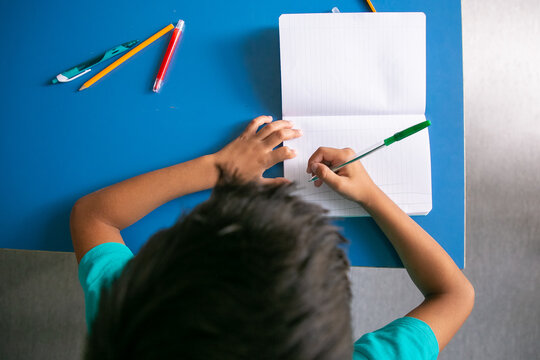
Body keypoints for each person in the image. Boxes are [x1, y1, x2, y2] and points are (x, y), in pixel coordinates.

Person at [71, 116, 474, 359]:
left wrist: (219, 168)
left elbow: (94, 217)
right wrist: (370, 194)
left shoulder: (135, 330)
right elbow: (453, 294)